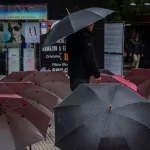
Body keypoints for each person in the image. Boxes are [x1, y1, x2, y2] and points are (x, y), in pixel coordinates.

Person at [66, 24, 101, 91]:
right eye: (91, 23)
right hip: (82, 75)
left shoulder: (70, 36)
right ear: (86, 24)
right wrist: (97, 75)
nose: (93, 25)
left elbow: (68, 51)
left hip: (73, 75)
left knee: (76, 98)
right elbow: (90, 57)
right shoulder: (86, 37)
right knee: (83, 99)